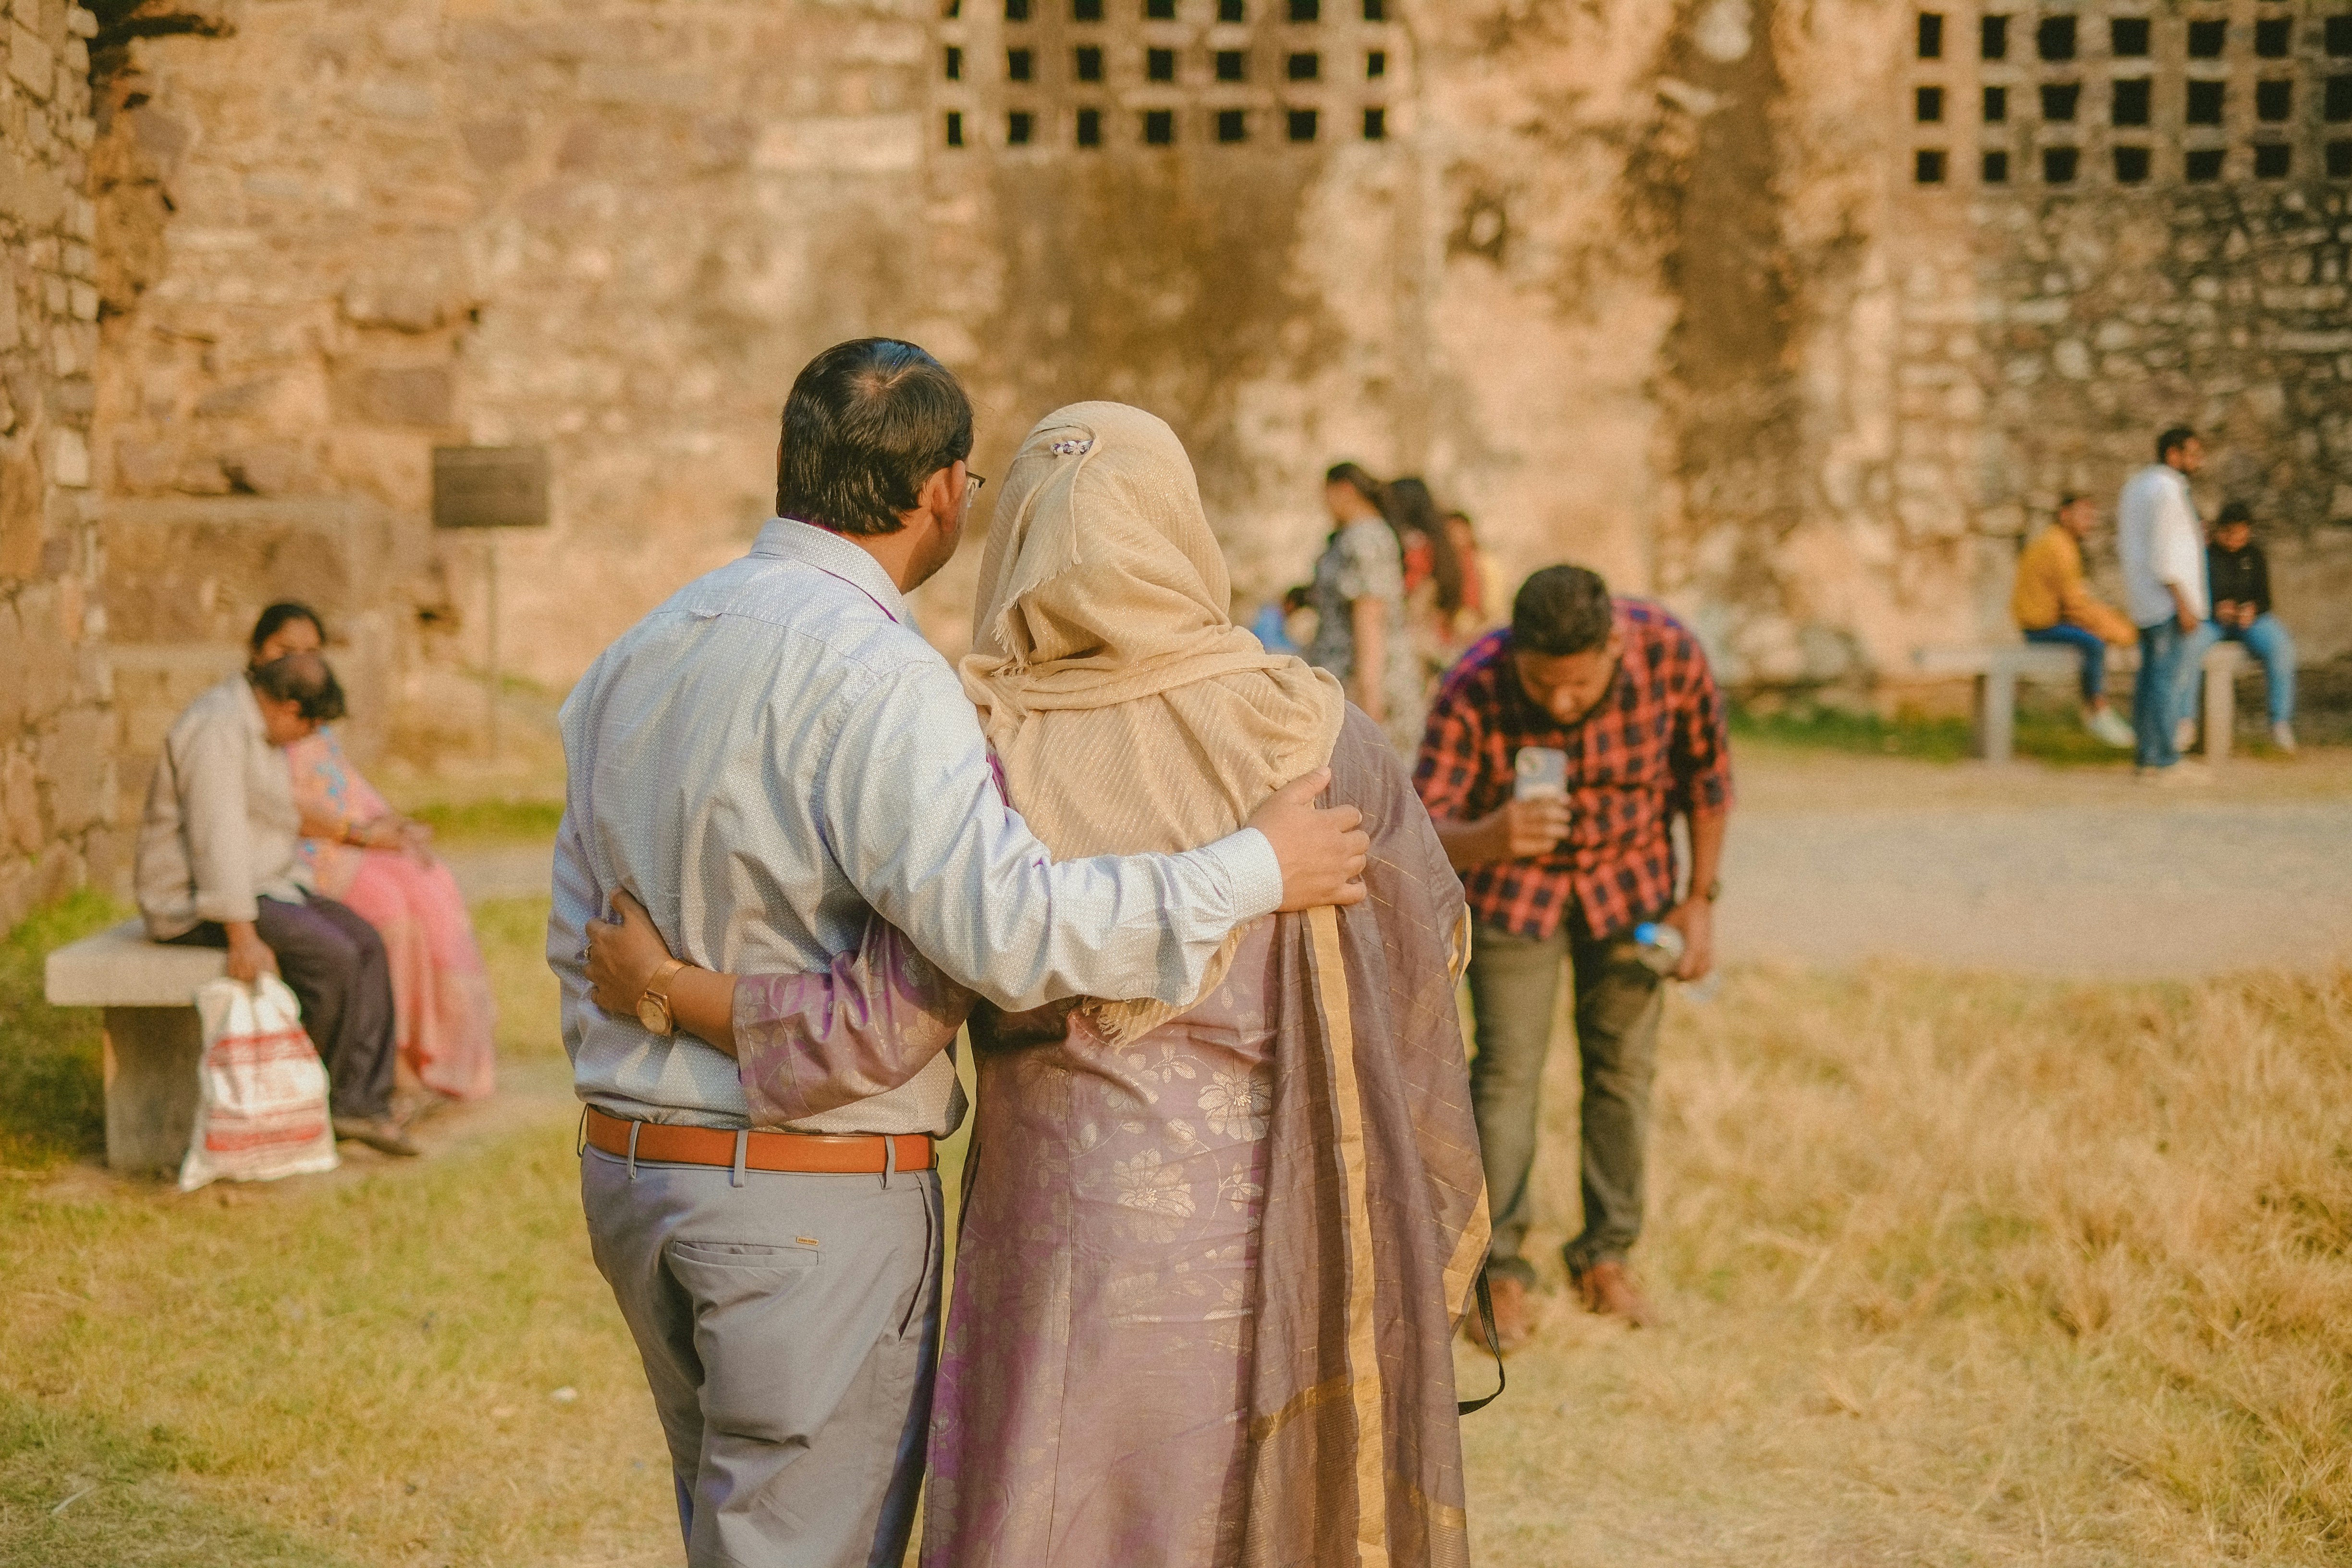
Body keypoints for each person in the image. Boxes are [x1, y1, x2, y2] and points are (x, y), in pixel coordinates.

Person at [583, 402, 1488, 1568]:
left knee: (1060, 1506)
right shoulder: (1307, 727)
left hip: (1057, 1232)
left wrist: (668, 987)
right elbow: (1415, 975)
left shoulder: (984, 738)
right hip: (1281, 1231)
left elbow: (879, 1024)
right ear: (1180, 529)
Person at [1414, 565, 1733, 1348]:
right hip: (1514, 898)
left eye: (1579, 684)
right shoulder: (1476, 678)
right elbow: (1422, 821)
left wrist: (1699, 900)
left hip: (1633, 895)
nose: (1559, 703)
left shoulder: (1670, 652)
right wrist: (1492, 835)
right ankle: (1499, 1271)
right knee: (1506, 1077)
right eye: (1542, 683)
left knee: (1622, 1071)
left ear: (1615, 646)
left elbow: (1708, 781)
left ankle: (1605, 1255)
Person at [135, 650, 419, 1157]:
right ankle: (323, 1099)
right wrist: (241, 937)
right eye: (310, 725)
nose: (309, 738)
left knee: (366, 941)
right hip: (196, 902)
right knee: (332, 958)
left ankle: (362, 1104)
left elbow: (275, 811)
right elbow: (215, 839)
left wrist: (360, 835)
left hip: (262, 883)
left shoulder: (251, 726)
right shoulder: (217, 730)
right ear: (289, 707)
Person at [248, 603, 497, 1103]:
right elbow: (281, 805)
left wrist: (392, 826)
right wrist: (361, 835)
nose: (297, 662)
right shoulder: (255, 718)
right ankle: (395, 1060)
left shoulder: (311, 712)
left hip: (348, 838)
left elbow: (346, 784)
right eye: (284, 650)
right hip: (300, 853)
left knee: (430, 883)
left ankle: (435, 1056)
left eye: (309, 652)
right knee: (388, 908)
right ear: (256, 652)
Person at [1303, 462, 1424, 753]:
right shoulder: (1356, 536)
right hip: (1349, 684)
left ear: (1344, 491)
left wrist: (1370, 706)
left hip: (1363, 687)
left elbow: (1370, 620)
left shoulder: (1365, 539)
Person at [2118, 427, 2213, 778]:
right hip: (2168, 602)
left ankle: (2147, 754)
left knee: (2150, 678)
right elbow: (2166, 554)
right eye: (2193, 453)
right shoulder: (2168, 491)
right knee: (2166, 680)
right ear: (2174, 454)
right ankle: (2163, 758)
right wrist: (2184, 603)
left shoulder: (2139, 486)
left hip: (2145, 598)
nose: (2198, 461)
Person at [2009, 496, 2138, 747]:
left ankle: (2096, 711)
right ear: (2064, 514)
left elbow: (2076, 602)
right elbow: (2076, 606)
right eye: (2083, 515)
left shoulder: (2058, 542)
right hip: (2039, 625)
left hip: (2044, 619)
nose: (2088, 523)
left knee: (2096, 636)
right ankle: (2097, 710)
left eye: (2091, 517)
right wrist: (2122, 632)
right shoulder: (2060, 548)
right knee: (2094, 644)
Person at [2207, 502, 2297, 753]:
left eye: (2241, 532)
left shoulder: (2254, 555)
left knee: (2281, 645)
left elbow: (2266, 599)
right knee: (2190, 646)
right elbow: (2197, 595)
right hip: (2214, 622)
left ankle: (2280, 722)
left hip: (2249, 623)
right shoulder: (2208, 555)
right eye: (2231, 533)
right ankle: (2184, 723)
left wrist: (2252, 610)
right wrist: (2215, 608)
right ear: (2221, 531)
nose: (2236, 538)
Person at [1384, 475, 1467, 674]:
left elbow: (1408, 589)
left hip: (1414, 644)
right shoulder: (1440, 544)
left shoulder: (1414, 545)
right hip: (1436, 641)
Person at [1445, 508, 1508, 642]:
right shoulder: (1445, 566)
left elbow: (1494, 603)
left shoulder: (1485, 562)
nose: (1456, 536)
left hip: (1484, 627)